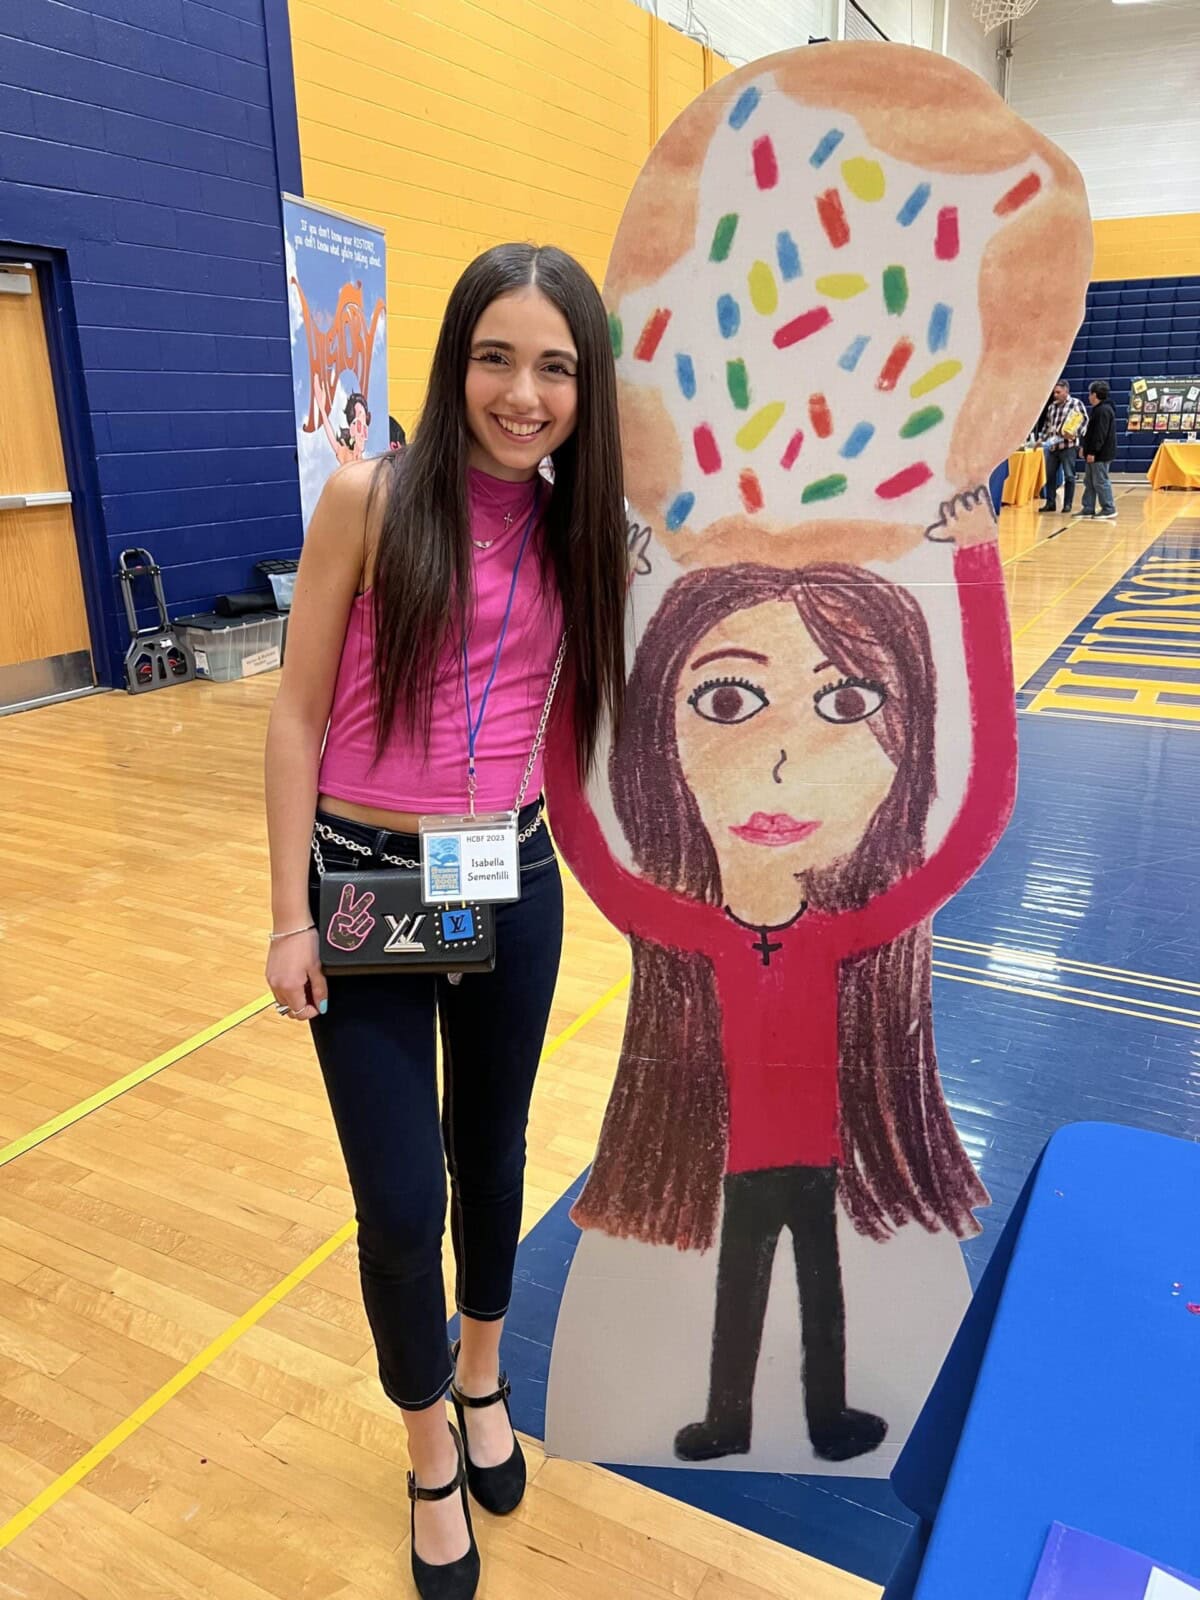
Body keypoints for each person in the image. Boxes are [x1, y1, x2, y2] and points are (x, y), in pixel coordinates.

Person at [264, 243, 627, 1600]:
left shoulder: (581, 522)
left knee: (495, 1148)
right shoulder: (369, 496)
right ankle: (429, 1455)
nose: (521, 392)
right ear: (453, 357)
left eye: (553, 366)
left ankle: (485, 1380)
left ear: (586, 388)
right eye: (496, 356)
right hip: (364, 883)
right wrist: (289, 915)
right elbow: (296, 713)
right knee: (400, 1198)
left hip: (505, 878)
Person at [546, 491, 1016, 1465]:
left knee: (821, 1284)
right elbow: (580, 823)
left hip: (824, 1161)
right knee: (743, 1288)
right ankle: (726, 1413)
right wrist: (597, 623)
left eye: (846, 702)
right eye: (725, 700)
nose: (781, 760)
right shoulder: (694, 935)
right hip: (730, 1160)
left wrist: (975, 570)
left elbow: (976, 810)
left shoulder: (854, 930)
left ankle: (829, 1408)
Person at [1036, 378, 1087, 514]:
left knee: (1070, 475)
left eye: (1058, 392)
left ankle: (1068, 504)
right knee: (1050, 475)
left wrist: (1075, 434)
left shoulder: (1076, 404)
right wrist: (1040, 440)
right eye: (1054, 392)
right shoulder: (1052, 407)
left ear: (1066, 391)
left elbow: (1084, 421)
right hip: (1053, 447)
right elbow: (1047, 426)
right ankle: (1050, 502)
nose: (1055, 395)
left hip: (1068, 446)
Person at [1077, 380, 1118, 520]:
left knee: (1100, 481)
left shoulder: (1103, 410)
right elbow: (1090, 433)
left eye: (1090, 394)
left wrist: (1093, 452)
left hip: (1100, 454)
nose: (1089, 397)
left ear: (1094, 394)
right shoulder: (1098, 409)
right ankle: (1088, 507)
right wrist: (1085, 447)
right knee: (1089, 481)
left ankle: (1108, 508)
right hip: (1093, 452)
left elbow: (1100, 434)